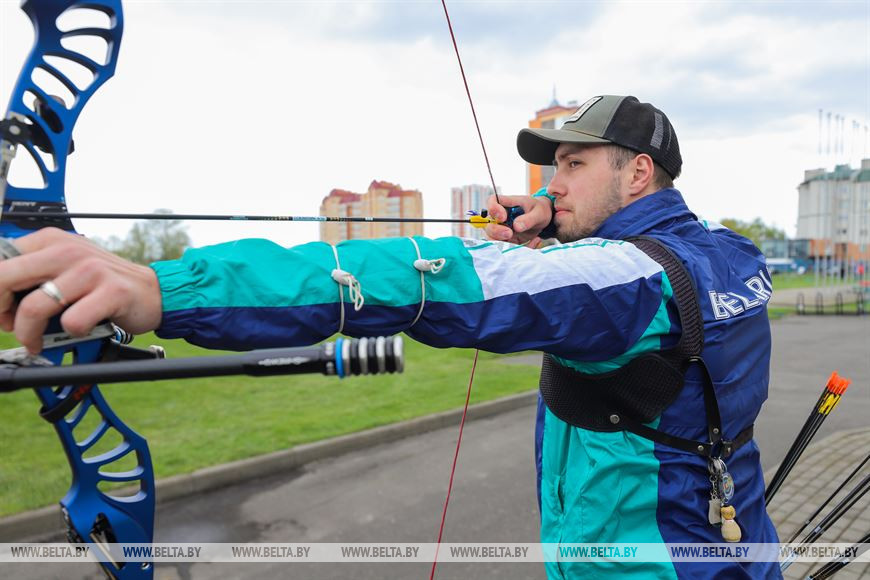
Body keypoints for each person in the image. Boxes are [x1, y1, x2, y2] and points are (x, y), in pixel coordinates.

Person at [0, 95, 780, 578]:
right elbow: (628, 280)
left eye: (573, 165)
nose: (551, 186)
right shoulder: (728, 252)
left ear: (637, 174)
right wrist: (561, 228)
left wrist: (158, 287)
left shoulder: (620, 282)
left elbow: (426, 276)